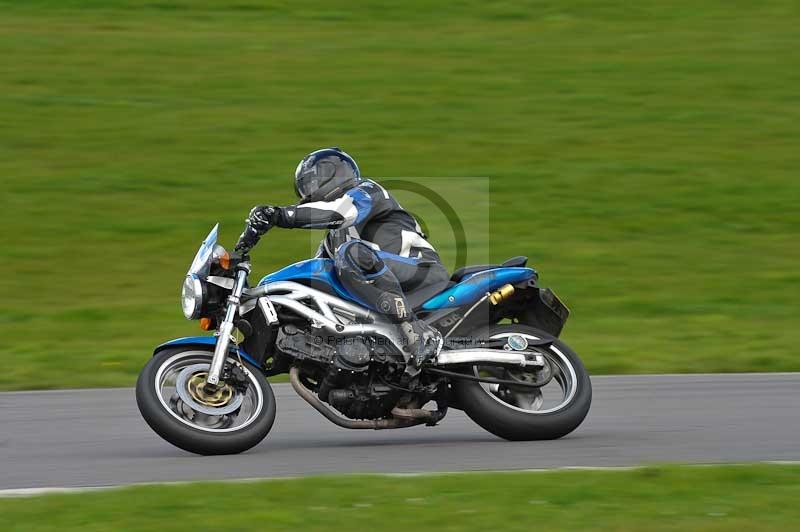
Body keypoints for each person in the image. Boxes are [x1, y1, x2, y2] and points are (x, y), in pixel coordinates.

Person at [235, 147, 450, 365]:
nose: (307, 194)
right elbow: (316, 277)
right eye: (304, 188)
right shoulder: (334, 240)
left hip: (421, 270)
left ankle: (415, 330)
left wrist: (279, 215)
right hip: (389, 281)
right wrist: (261, 293)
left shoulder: (367, 191)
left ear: (335, 173)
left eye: (312, 183)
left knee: (351, 252)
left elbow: (338, 213)